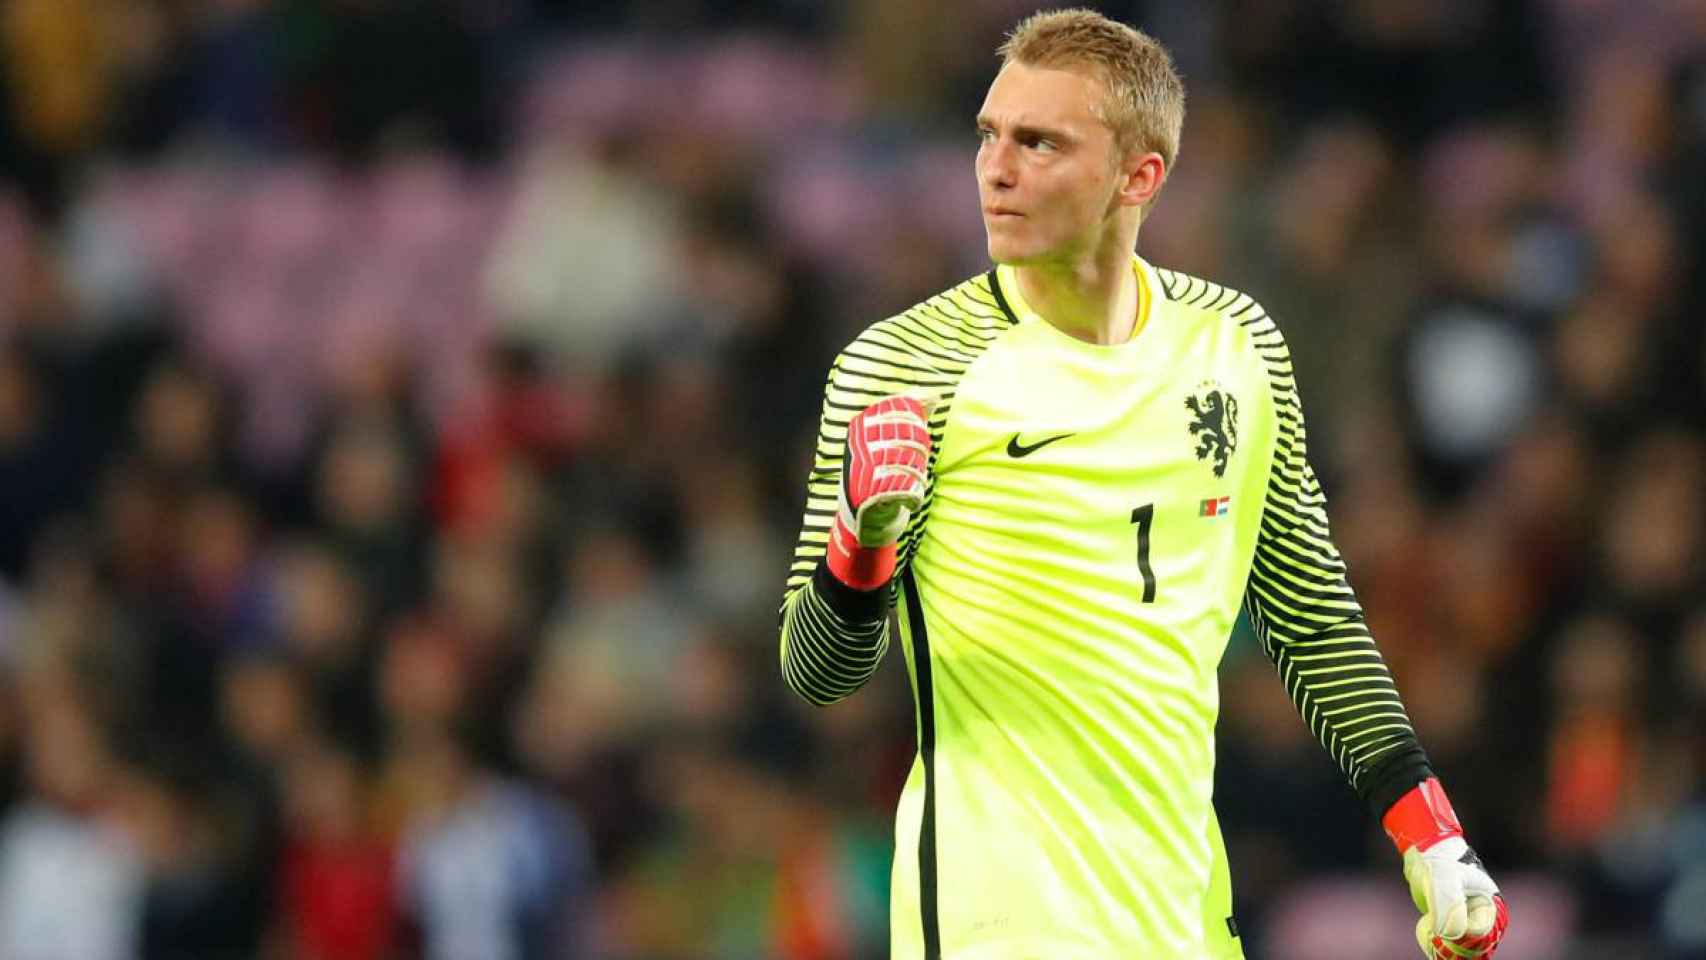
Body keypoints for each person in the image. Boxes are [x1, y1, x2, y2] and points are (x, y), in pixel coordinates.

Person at [777, 9, 1509, 959]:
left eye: (1038, 142)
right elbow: (816, 673)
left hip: (1184, 916)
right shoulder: (903, 365)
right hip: (995, 921)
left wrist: (1431, 833)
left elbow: (1311, 617)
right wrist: (860, 547)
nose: (995, 169)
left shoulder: (1235, 345)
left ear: (1140, 175)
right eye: (988, 136)